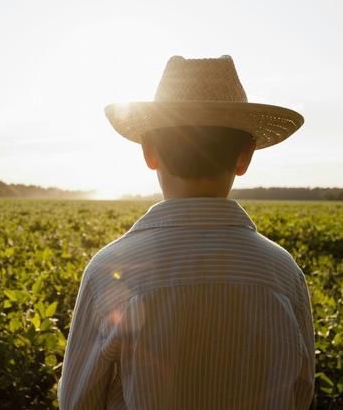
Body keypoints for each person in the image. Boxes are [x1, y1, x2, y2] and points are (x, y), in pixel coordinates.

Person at [58, 55, 315, 409]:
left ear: (149, 152)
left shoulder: (108, 269)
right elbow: (301, 395)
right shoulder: (283, 273)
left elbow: (77, 402)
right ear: (245, 157)